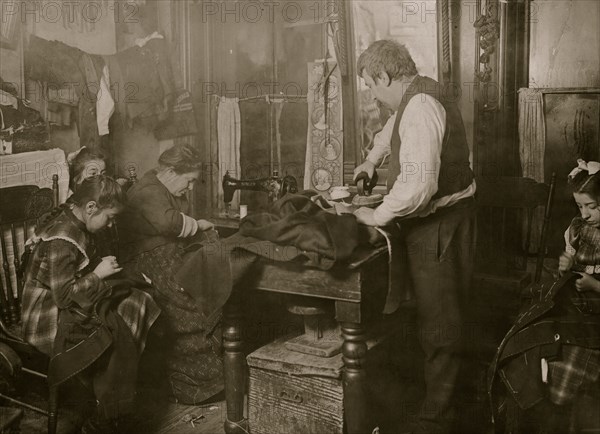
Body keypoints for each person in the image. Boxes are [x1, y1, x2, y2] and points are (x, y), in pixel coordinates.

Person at [352, 40, 477, 434]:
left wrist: (377, 213)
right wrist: (371, 161)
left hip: (442, 224)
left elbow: (418, 186)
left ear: (385, 76)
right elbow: (392, 129)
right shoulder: (416, 93)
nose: (373, 96)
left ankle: (438, 421)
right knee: (429, 319)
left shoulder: (421, 106)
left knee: (441, 325)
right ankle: (427, 404)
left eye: (372, 87)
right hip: (435, 223)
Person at [20, 175, 161, 433]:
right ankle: (106, 413)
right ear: (90, 208)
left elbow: (76, 273)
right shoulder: (62, 239)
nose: (110, 224)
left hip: (64, 301)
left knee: (138, 301)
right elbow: (63, 296)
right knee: (117, 326)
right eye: (109, 218)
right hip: (45, 314)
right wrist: (97, 274)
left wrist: (101, 269)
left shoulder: (77, 221)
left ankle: (111, 402)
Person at [489, 160, 600, 434]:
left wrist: (595, 286)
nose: (584, 214)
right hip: (574, 303)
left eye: (592, 207)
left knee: (563, 351)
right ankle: (529, 399)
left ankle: (555, 402)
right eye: (580, 206)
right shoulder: (577, 229)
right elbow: (571, 256)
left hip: (596, 312)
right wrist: (566, 262)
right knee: (526, 338)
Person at [118, 143, 222, 404]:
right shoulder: (147, 190)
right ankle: (192, 385)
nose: (190, 187)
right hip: (145, 261)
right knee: (189, 301)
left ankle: (214, 378)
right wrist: (199, 225)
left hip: (164, 254)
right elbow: (169, 223)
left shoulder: (163, 187)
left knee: (210, 287)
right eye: (189, 181)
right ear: (172, 172)